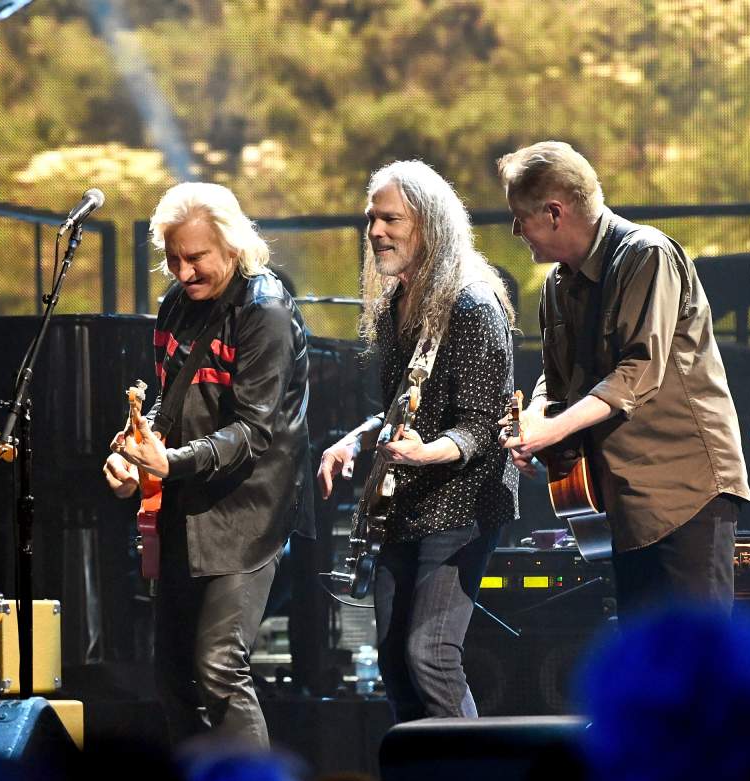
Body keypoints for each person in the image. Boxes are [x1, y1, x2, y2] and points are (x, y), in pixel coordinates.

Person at [496, 141, 750, 618]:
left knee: (699, 665)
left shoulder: (646, 254)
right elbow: (556, 381)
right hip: (623, 500)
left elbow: (638, 371)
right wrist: (533, 420)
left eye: (520, 216)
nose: (515, 230)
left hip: (685, 489)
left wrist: (554, 429)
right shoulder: (556, 285)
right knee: (650, 671)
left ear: (555, 212)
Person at [102, 182, 312, 747]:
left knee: (219, 665)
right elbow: (165, 411)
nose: (183, 271)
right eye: (173, 258)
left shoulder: (264, 310)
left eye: (196, 258)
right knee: (172, 676)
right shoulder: (176, 305)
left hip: (248, 511)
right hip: (184, 504)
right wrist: (130, 458)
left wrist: (166, 463)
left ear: (234, 245)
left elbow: (254, 431)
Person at [317, 160, 518, 721]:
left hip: (463, 500)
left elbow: (485, 425)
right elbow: (401, 408)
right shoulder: (395, 306)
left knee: (429, 655)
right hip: (408, 499)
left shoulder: (473, 305)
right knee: (391, 660)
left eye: (390, 219)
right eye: (371, 219)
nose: (376, 231)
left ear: (429, 224)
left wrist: (426, 452)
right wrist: (356, 440)